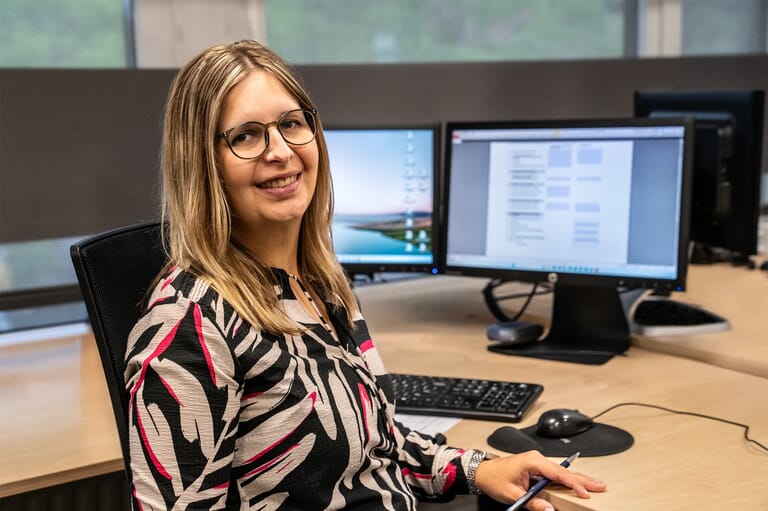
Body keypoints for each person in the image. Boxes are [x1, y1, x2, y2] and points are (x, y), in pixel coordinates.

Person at [124, 39, 606, 511]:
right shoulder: (188, 323)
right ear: (202, 162)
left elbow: (378, 444)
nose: (280, 151)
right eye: (246, 135)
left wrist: (478, 468)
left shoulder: (317, 281)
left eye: (292, 124)